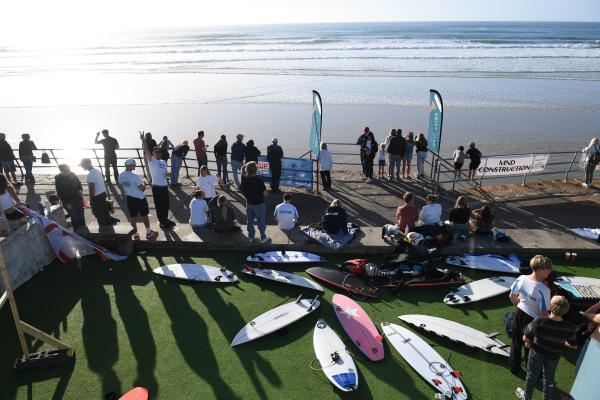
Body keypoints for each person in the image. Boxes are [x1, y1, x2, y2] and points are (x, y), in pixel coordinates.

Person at [515, 295, 576, 400]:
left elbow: (525, 337)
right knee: (549, 379)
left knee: (531, 375)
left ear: (551, 307)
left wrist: (528, 344)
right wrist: (561, 341)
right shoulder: (569, 327)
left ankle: (527, 397)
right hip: (554, 356)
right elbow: (573, 344)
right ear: (566, 310)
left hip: (536, 354)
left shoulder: (539, 321)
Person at [508, 255, 553, 375]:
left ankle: (514, 368)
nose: (550, 271)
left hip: (519, 314)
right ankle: (532, 371)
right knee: (531, 346)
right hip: (533, 321)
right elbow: (544, 313)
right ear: (540, 269)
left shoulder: (521, 278)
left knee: (516, 343)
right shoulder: (544, 290)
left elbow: (512, 296)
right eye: (548, 269)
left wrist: (521, 306)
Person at [140, 131, 175, 229]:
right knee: (159, 205)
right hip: (156, 187)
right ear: (153, 153)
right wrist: (143, 140)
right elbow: (146, 150)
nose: (158, 154)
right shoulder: (151, 160)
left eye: (159, 152)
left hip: (164, 186)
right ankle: (162, 222)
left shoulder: (163, 162)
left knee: (166, 205)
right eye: (156, 152)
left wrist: (170, 174)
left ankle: (165, 219)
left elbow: (165, 174)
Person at [118, 159, 158, 240]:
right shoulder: (135, 177)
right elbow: (142, 188)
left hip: (129, 198)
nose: (135, 165)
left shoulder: (121, 175)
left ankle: (136, 234)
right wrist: (144, 182)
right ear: (130, 166)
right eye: (134, 164)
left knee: (132, 217)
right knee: (144, 215)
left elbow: (122, 184)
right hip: (140, 198)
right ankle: (149, 232)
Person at [240, 161, 270, 243]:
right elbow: (265, 194)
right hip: (259, 203)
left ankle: (250, 237)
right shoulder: (259, 181)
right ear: (256, 169)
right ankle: (263, 237)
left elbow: (242, 189)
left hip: (249, 203)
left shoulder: (245, 179)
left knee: (250, 220)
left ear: (247, 170)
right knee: (261, 221)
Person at [54, 164, 86, 231]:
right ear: (62, 171)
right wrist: (66, 203)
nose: (68, 171)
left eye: (68, 169)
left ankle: (84, 229)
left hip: (78, 198)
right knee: (74, 216)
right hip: (68, 201)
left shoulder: (73, 175)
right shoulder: (58, 179)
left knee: (81, 214)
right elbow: (59, 192)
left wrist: (80, 190)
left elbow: (79, 185)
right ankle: (77, 231)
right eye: (66, 170)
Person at [81, 158, 111, 226]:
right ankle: (110, 229)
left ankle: (104, 232)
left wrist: (91, 200)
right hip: (103, 194)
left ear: (87, 164)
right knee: (105, 213)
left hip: (97, 197)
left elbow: (92, 189)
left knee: (99, 215)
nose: (82, 167)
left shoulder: (90, 175)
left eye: (83, 165)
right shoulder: (97, 171)